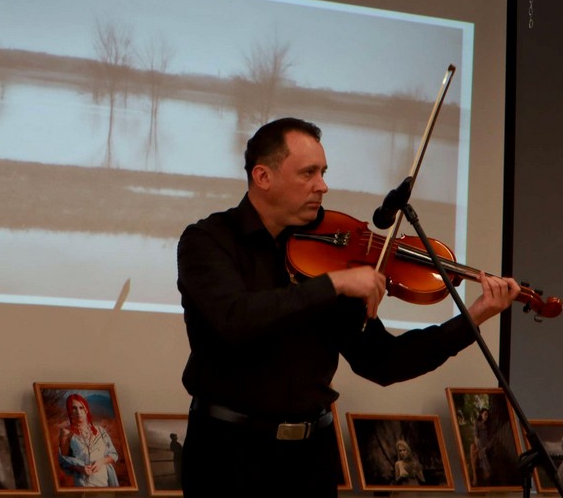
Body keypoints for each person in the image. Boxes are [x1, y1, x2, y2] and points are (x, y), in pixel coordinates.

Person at [176, 117, 522, 498]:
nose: (322, 186)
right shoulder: (207, 242)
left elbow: (384, 362)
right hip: (228, 456)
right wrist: (335, 284)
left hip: (311, 460)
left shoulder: (330, 252)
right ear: (263, 176)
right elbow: (236, 319)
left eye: (322, 172)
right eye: (308, 173)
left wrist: (474, 316)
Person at [57, 393, 121, 487]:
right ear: (69, 411)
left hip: (104, 481)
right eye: (74, 408)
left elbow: (113, 454)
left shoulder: (100, 430)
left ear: (86, 409)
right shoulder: (66, 432)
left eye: (81, 407)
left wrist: (101, 462)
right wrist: (80, 468)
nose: (78, 412)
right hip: (83, 483)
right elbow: (64, 462)